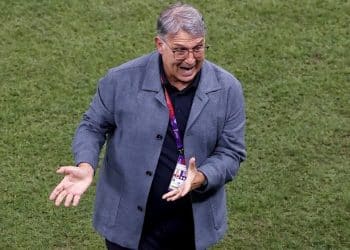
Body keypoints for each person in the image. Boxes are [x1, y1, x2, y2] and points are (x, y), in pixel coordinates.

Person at [49, 3, 246, 250]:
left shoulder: (228, 89)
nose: (191, 59)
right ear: (159, 44)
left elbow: (231, 153)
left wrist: (203, 177)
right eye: (180, 50)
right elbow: (92, 126)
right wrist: (86, 165)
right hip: (128, 226)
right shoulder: (120, 80)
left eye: (198, 48)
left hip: (191, 228)